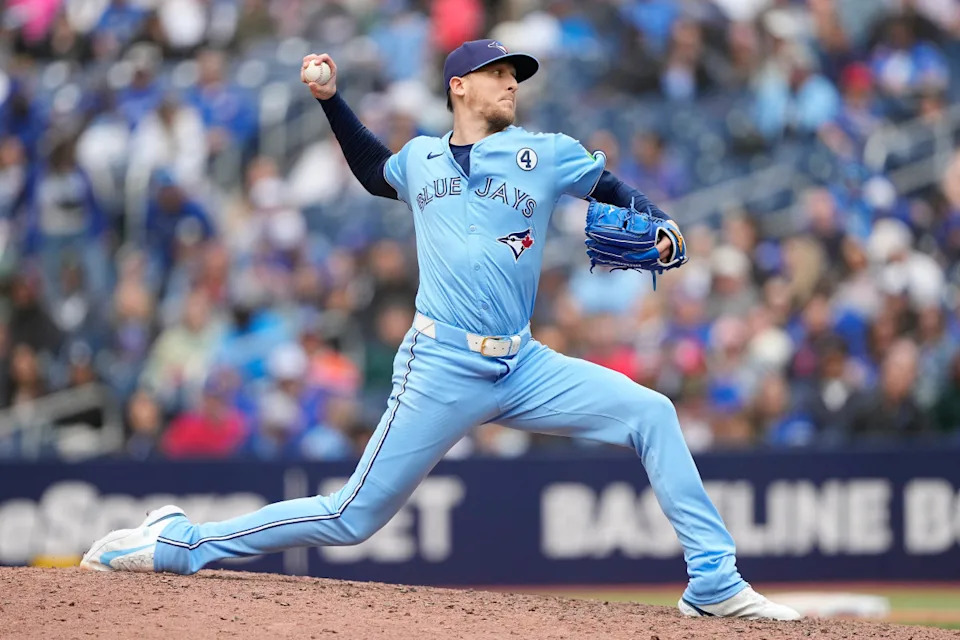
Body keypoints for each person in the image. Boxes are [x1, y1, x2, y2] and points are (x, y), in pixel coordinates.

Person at [80, 39, 799, 621]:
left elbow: (612, 191)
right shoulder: (422, 158)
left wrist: (661, 224)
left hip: (523, 367)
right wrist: (332, 103)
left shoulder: (543, 151)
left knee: (652, 413)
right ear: (460, 86)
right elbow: (371, 172)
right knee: (351, 518)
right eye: (496, 74)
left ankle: (712, 579)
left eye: (515, 74)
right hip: (441, 366)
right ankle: (181, 542)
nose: (511, 83)